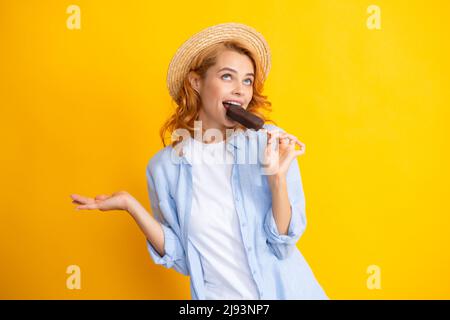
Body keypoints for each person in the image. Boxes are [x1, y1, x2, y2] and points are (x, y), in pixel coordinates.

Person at [70, 22, 328, 300]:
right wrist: (130, 206)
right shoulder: (164, 169)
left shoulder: (268, 145)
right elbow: (181, 257)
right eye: (227, 77)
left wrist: (277, 178)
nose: (241, 90)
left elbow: (282, 245)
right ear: (196, 82)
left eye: (248, 80)